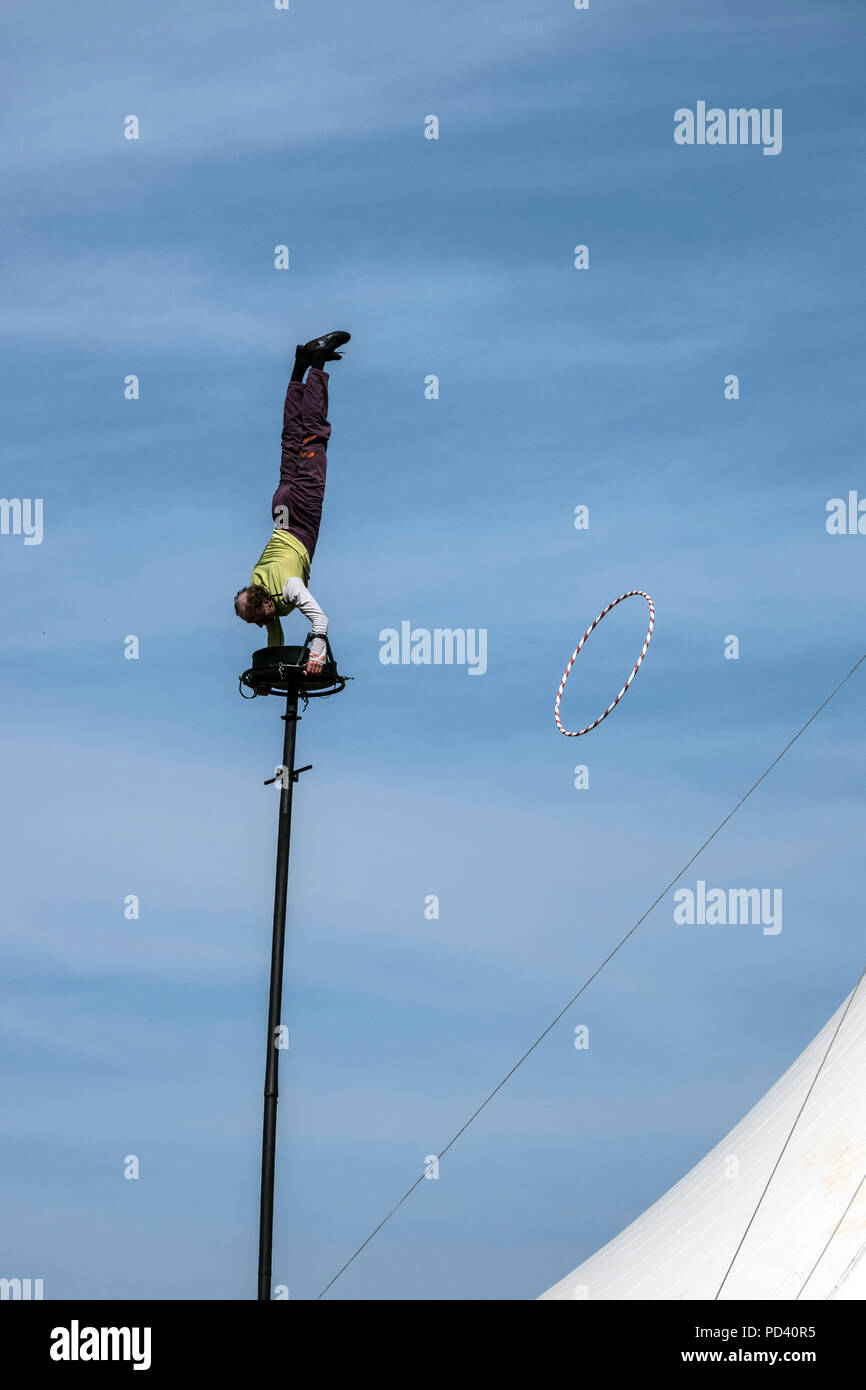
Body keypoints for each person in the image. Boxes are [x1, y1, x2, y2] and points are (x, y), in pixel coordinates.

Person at [234, 331, 350, 675]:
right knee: (291, 441)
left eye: (257, 619)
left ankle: (316, 363)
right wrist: (269, 674)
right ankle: (300, 367)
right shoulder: (260, 586)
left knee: (314, 435)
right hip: (281, 510)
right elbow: (274, 635)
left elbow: (320, 619)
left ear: (265, 603)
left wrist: (317, 653)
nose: (260, 625)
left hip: (299, 514)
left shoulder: (287, 588)